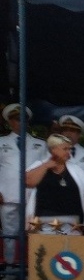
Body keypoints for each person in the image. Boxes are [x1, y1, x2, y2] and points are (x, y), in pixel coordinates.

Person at [0, 104, 48, 261]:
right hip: (7, 195)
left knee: (34, 233)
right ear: (9, 122)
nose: (19, 122)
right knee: (9, 234)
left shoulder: (41, 144)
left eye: (23, 119)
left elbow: (46, 169)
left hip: (32, 196)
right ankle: (10, 268)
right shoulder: (1, 142)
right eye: (15, 119)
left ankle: (33, 269)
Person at [25, 134, 84, 232]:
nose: (69, 152)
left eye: (69, 149)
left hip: (73, 224)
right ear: (53, 149)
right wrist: (46, 166)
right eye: (65, 149)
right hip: (42, 224)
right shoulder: (39, 165)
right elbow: (28, 182)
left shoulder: (76, 169)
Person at [56, 115, 84, 190]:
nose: (68, 134)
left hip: (83, 195)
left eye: (72, 131)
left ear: (79, 134)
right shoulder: (53, 152)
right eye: (65, 130)